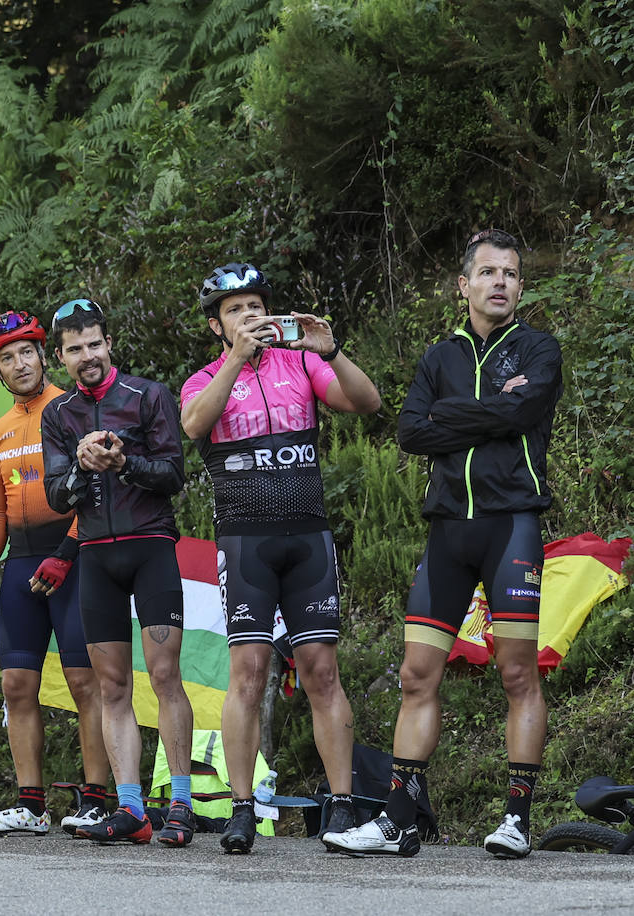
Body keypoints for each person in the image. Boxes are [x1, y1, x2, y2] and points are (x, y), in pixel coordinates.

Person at [324, 229, 562, 859]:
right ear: (464, 286)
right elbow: (409, 432)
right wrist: (491, 410)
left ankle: (516, 820)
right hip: (448, 531)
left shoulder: (539, 349)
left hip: (512, 525)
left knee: (516, 673)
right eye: (488, 273)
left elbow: (516, 417)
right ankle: (399, 822)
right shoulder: (438, 357)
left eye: (511, 273)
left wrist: (452, 418)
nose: (501, 283)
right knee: (416, 674)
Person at [180, 264, 382, 853]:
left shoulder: (300, 364)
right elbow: (195, 424)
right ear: (217, 326)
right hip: (245, 542)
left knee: (322, 670)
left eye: (255, 305)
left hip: (307, 537)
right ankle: (242, 806)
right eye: (235, 309)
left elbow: (366, 402)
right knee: (248, 673)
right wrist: (237, 361)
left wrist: (333, 349)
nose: (249, 315)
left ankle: (341, 804)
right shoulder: (204, 378)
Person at [40, 298, 193, 846]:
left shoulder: (148, 395)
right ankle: (131, 807)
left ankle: (181, 802)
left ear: (110, 345)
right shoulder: (57, 415)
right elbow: (57, 495)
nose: (88, 356)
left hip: (150, 546)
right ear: (61, 357)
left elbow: (174, 473)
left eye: (95, 344)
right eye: (75, 349)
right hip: (97, 556)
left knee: (166, 676)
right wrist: (81, 466)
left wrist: (124, 461)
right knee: (112, 687)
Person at [0, 309, 109, 836]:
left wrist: (67, 552)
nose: (20, 363)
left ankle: (97, 795)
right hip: (21, 560)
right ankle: (30, 804)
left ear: (44, 355)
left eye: (27, 352)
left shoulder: (71, 411)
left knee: (83, 681)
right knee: (16, 685)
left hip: (75, 554)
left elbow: (95, 495)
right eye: (7, 358)